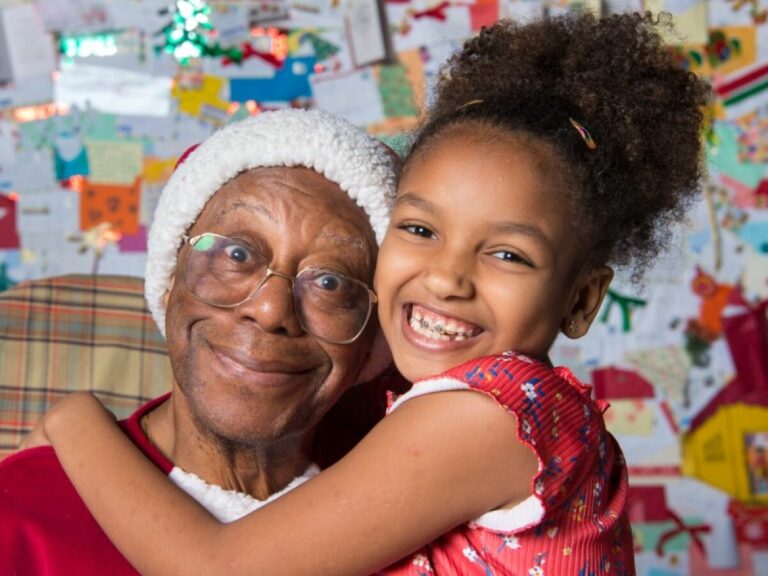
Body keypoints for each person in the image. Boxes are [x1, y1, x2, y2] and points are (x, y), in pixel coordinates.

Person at [24, 12, 710, 576]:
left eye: (507, 253)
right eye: (418, 229)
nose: (446, 277)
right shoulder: (463, 414)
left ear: (582, 302)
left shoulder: (486, 416)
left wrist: (75, 421)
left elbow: (219, 569)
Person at [0, 108, 400, 574]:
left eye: (331, 283)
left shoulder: (416, 509)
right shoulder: (17, 514)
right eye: (237, 254)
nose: (270, 310)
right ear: (170, 276)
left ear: (372, 343)